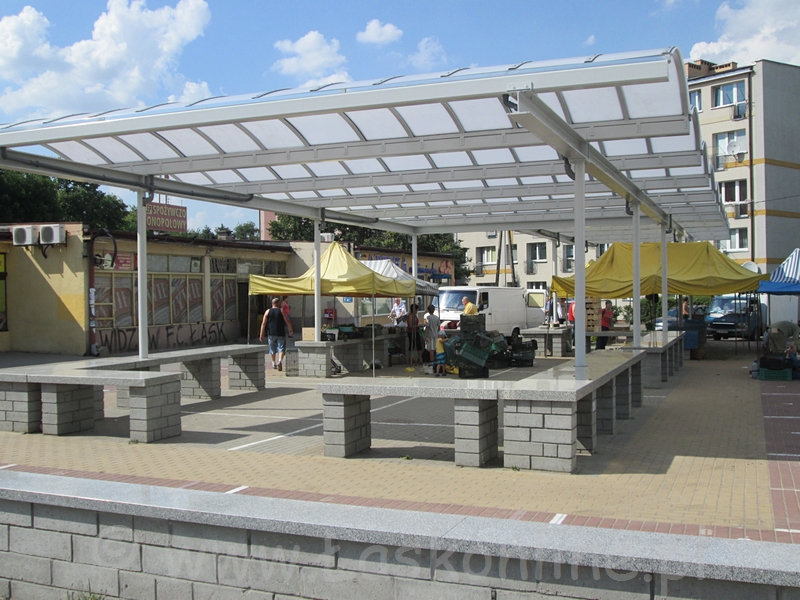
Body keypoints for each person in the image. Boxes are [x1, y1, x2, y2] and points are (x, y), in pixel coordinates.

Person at [259, 297, 293, 371]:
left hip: (271, 333)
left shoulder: (268, 311)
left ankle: (273, 363)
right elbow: (287, 321)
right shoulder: (281, 310)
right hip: (280, 333)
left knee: (272, 348)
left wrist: (261, 334)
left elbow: (263, 323)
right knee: (281, 348)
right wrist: (290, 329)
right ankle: (280, 361)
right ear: (278, 303)